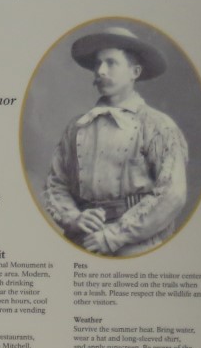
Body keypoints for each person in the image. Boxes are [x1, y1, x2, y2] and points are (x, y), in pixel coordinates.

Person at [41, 25, 189, 257]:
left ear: (135, 72)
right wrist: (75, 218)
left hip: (136, 245)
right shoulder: (77, 127)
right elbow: (56, 183)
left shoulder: (157, 125)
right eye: (98, 64)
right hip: (82, 241)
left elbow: (172, 193)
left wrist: (114, 235)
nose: (100, 71)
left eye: (111, 63)